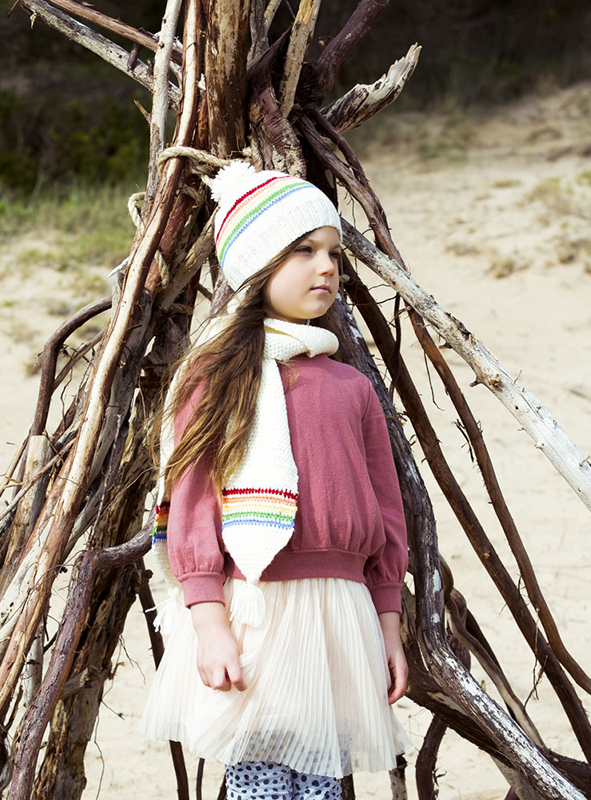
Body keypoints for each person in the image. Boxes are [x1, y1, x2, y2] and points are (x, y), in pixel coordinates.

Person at [139, 163, 411, 800]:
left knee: (320, 777)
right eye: (303, 251)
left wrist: (389, 624)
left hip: (338, 613)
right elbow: (194, 500)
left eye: (334, 254)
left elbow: (387, 511)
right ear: (259, 266)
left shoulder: (351, 386)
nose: (326, 269)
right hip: (256, 608)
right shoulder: (219, 377)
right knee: (258, 776)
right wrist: (208, 621)